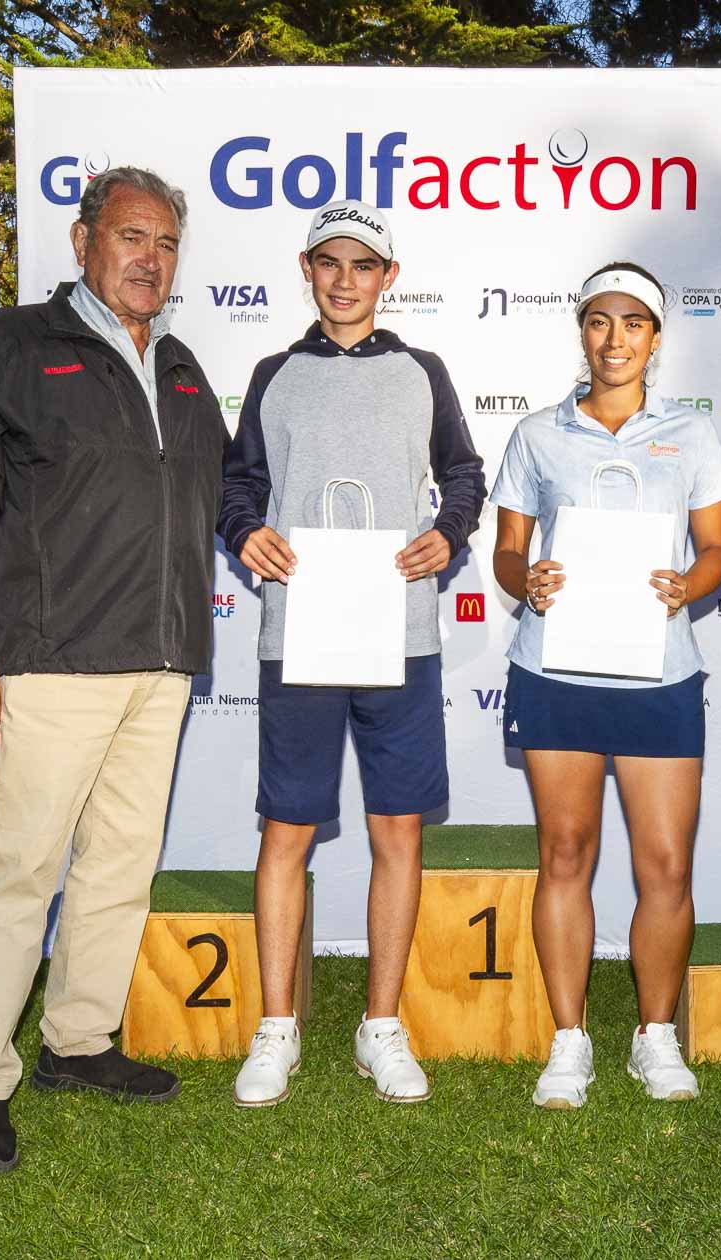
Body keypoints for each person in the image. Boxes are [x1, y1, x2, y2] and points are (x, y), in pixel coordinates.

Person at [0, 166, 227, 1175]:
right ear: (84, 240)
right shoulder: (15, 343)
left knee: (119, 867)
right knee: (21, 874)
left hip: (162, 661)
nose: (151, 259)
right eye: (133, 237)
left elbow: (226, 492)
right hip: (51, 659)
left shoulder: (180, 366)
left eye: (167, 244)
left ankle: (79, 1039)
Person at [217, 200, 486, 1108]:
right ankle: (277, 1027)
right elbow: (238, 485)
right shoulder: (273, 374)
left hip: (398, 633)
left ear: (388, 278)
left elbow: (463, 473)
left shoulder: (423, 372)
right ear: (306, 270)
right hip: (298, 631)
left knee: (396, 829)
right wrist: (245, 530)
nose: (344, 280)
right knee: (286, 830)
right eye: (329, 263)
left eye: (363, 265)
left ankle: (381, 1025)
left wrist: (450, 530)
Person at [488, 262, 721, 1109]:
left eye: (634, 323)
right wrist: (526, 582)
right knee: (565, 853)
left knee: (665, 864)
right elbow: (508, 552)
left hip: (659, 673)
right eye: (600, 321)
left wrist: (688, 586)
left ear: (655, 339)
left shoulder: (691, 434)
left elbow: (716, 550)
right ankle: (570, 1040)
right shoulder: (536, 434)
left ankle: (654, 1035)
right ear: (583, 332)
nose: (615, 338)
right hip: (555, 671)